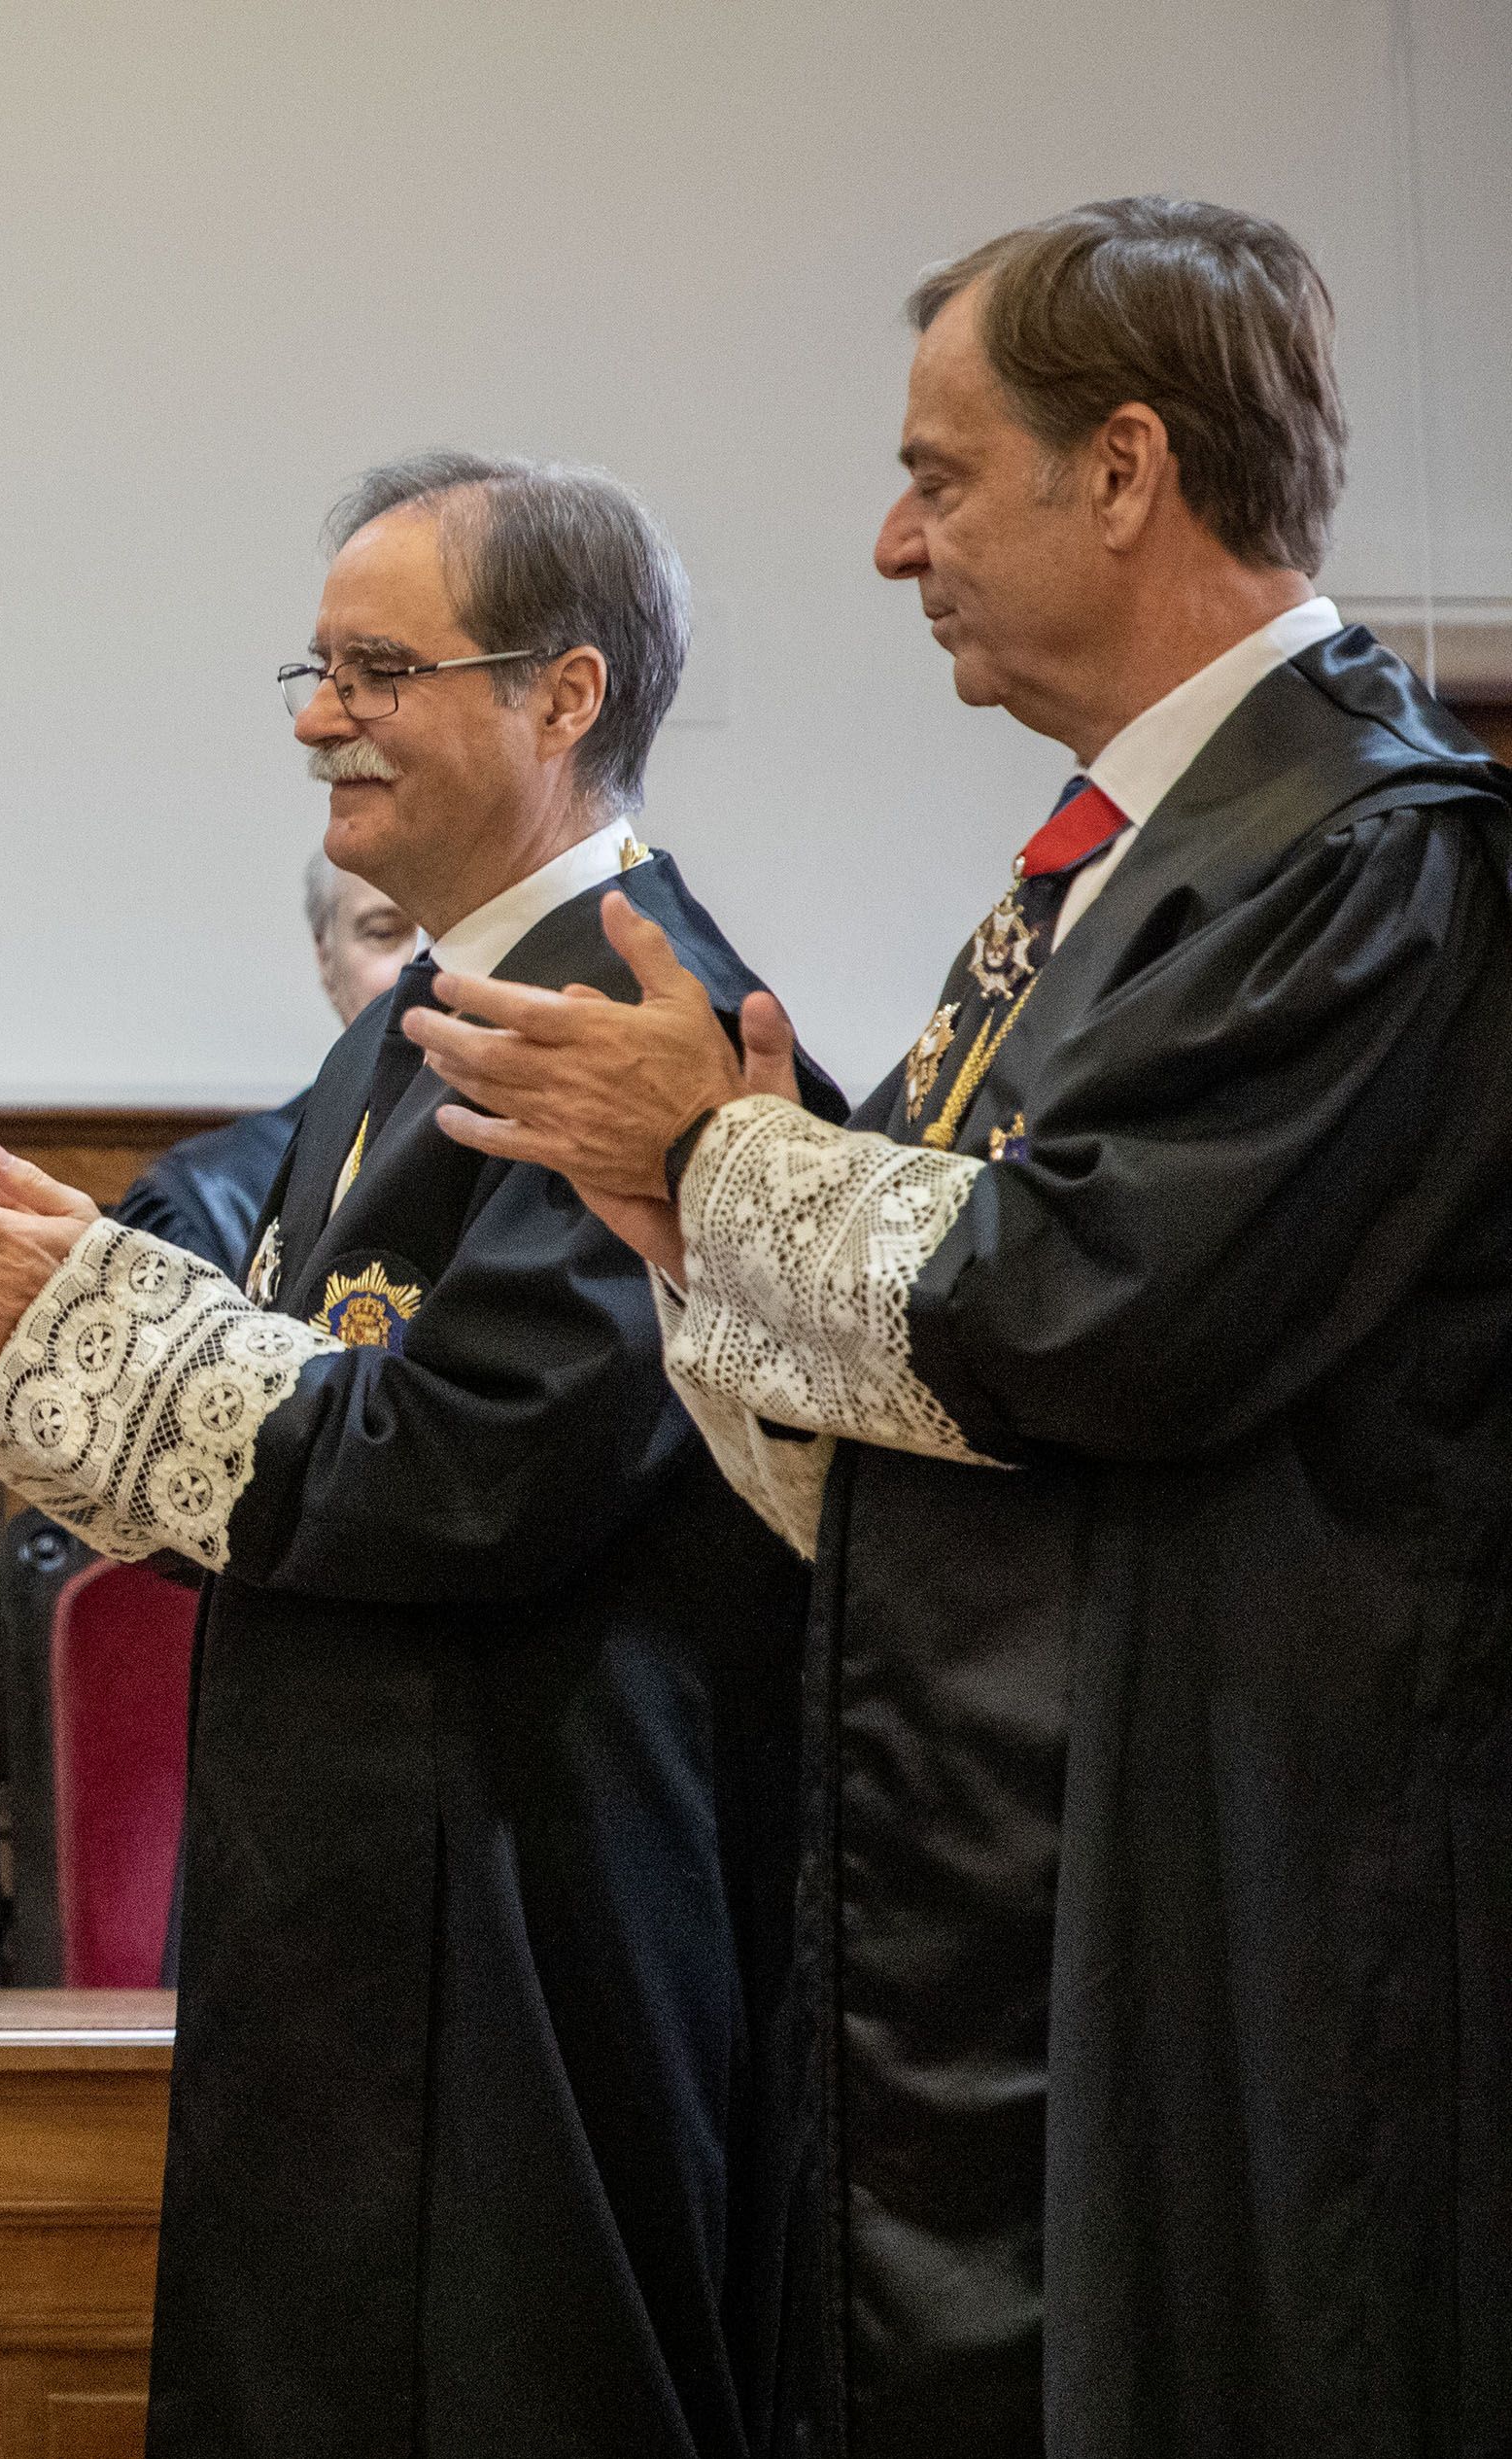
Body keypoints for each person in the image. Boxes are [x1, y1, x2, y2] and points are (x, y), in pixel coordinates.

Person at [401, 199, 1512, 2458]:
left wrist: (712, 1165)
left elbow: (1085, 1306)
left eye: (939, 474)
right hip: (994, 1856)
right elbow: (912, 1335)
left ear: (1121, 471)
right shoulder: (1112, 865)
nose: (891, 545)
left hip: (1223, 1883)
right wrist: (678, 1209)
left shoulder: (1368, 856)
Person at [0, 454, 822, 2457]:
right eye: (312, 664)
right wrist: (68, 1336)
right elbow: (301, 1396)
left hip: (524, 1916)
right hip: (355, 1900)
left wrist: (87, 1332)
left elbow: (476, 1465)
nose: (312, 715)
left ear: (560, 694)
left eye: (373, 665)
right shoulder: (417, 1021)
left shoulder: (642, 1017)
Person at [116, 856, 413, 1274]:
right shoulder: (211, 1199)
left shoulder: (527, 1173)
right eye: (383, 932)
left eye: (451, 938)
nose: (422, 966)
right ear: (325, 956)